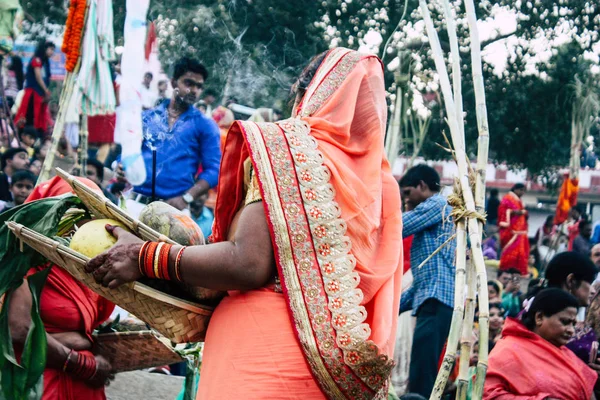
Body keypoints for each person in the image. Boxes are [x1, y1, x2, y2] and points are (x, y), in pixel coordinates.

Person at [86, 48, 403, 398]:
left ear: (306, 91)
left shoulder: (289, 151)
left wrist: (143, 256)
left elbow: (247, 263)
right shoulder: (383, 184)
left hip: (259, 361)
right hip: (328, 373)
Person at [7, 176, 115, 399]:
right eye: (72, 211)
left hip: (83, 388)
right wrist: (81, 361)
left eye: (90, 214)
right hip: (38, 386)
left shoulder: (86, 262)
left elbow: (89, 330)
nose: (80, 223)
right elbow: (19, 331)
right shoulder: (22, 258)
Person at [119, 57, 221, 214]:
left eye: (199, 86)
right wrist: (120, 166)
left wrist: (187, 197)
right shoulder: (147, 117)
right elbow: (129, 153)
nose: (194, 90)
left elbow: (214, 169)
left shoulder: (205, 125)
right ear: (174, 83)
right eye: (188, 83)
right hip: (135, 203)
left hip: (173, 211)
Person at [399, 164, 455, 397]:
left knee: (422, 374)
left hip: (435, 303)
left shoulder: (438, 204)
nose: (406, 202)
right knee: (421, 369)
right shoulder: (431, 228)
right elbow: (421, 285)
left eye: (408, 193)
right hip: (431, 301)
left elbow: (398, 226)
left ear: (422, 186)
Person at [484, 288, 597, 399]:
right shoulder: (508, 350)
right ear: (539, 317)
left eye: (573, 324)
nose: (571, 330)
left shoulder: (567, 355)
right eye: (565, 322)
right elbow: (488, 393)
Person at [13, 40, 55, 135]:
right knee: (29, 116)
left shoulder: (45, 62)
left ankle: (34, 137)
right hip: (32, 93)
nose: (52, 52)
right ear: (44, 49)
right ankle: (24, 136)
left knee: (39, 118)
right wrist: (46, 91)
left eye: (53, 50)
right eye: (51, 49)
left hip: (40, 95)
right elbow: (38, 77)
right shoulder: (37, 60)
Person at [498, 183, 529, 276]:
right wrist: (515, 212)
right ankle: (505, 269)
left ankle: (518, 271)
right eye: (521, 190)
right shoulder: (507, 198)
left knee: (521, 252)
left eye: (524, 191)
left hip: (520, 231)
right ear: (515, 189)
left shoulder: (518, 200)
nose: (522, 193)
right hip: (511, 231)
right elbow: (503, 210)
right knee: (511, 251)